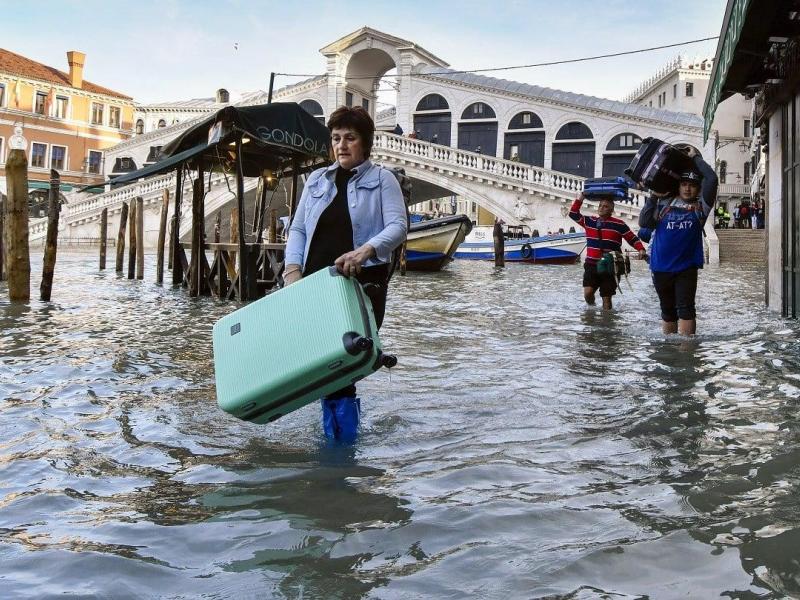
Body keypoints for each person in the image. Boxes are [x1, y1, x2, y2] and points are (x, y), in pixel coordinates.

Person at [284, 106, 408, 442]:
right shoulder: (315, 180)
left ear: (364, 144)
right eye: (336, 138)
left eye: (349, 138)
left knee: (342, 365)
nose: (341, 145)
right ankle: (338, 444)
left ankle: (339, 451)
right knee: (326, 365)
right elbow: (297, 230)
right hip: (315, 286)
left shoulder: (384, 180)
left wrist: (366, 250)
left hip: (362, 284)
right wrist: (292, 270)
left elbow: (398, 226)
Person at [638, 149, 718, 336]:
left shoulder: (702, 207)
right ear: (678, 186)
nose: (687, 188)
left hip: (686, 268)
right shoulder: (664, 203)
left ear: (698, 189)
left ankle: (687, 354)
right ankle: (669, 351)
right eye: (683, 184)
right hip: (660, 268)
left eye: (692, 185)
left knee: (686, 309)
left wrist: (694, 157)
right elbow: (644, 222)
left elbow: (712, 179)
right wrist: (654, 196)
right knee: (667, 312)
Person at [570, 193, 646, 309]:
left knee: (607, 298)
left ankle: (606, 324)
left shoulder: (619, 224)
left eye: (605, 206)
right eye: (600, 205)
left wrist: (641, 249)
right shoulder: (589, 221)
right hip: (591, 265)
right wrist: (582, 197)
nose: (601, 208)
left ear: (612, 210)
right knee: (588, 293)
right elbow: (573, 213)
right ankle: (591, 310)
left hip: (611, 266)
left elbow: (632, 238)